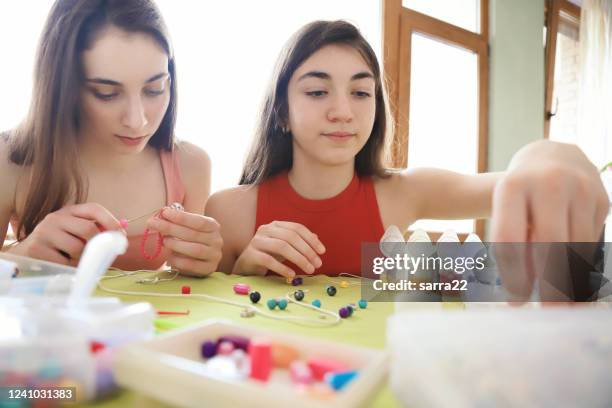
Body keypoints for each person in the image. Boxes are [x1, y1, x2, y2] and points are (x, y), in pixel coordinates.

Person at [205, 20, 608, 299]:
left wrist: (550, 154)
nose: (343, 111)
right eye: (317, 92)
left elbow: (517, 181)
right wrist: (242, 274)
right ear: (281, 113)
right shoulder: (228, 210)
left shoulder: (406, 192)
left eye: (361, 93)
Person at [0, 0, 222, 276]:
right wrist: (20, 259)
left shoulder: (191, 165)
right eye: (107, 93)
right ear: (63, 87)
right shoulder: (9, 160)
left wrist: (206, 261)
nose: (137, 120)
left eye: (155, 89)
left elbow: (185, 283)